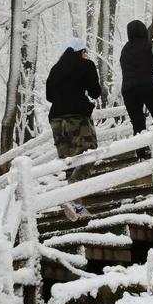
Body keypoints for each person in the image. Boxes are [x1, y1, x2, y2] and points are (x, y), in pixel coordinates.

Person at [46, 37, 101, 220]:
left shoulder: (56, 69)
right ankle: (71, 193)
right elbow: (95, 91)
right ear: (81, 52)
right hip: (76, 118)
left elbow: (49, 96)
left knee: (69, 161)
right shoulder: (86, 65)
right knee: (89, 153)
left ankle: (77, 205)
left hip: (56, 119)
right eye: (85, 51)